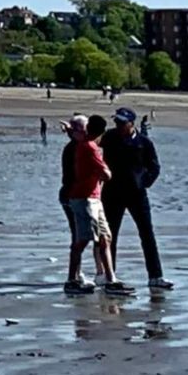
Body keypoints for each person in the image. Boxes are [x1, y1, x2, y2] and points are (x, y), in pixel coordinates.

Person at [103, 106, 166, 286]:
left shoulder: (144, 143)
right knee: (109, 236)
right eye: (117, 122)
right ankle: (110, 276)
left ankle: (155, 276)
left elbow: (154, 167)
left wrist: (144, 182)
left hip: (137, 194)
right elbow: (90, 144)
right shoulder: (109, 137)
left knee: (147, 234)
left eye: (122, 123)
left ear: (131, 123)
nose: (118, 126)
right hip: (112, 193)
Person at [59, 112, 120, 293]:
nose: (85, 132)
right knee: (82, 238)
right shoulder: (82, 147)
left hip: (92, 197)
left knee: (104, 237)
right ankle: (74, 278)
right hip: (80, 198)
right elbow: (105, 174)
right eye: (82, 130)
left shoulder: (84, 144)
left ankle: (109, 278)